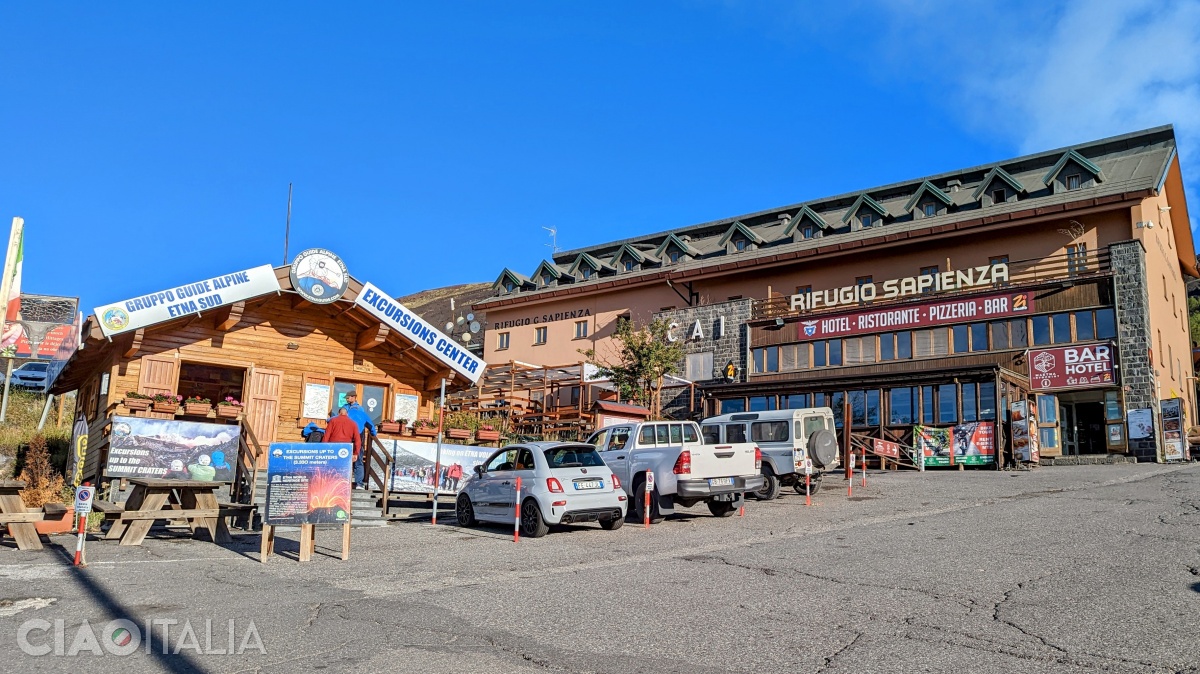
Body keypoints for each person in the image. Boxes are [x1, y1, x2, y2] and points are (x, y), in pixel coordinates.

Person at [338, 393, 374, 488]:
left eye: (348, 397)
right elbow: (370, 425)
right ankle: (359, 483)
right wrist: (373, 433)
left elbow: (336, 419)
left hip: (348, 438)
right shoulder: (358, 410)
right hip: (357, 438)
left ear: (353, 397)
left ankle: (343, 483)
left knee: (345, 459)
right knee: (358, 460)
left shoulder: (352, 410)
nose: (346, 399)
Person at [325, 407, 364, 488]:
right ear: (347, 414)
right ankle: (343, 485)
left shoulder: (333, 421)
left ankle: (331, 484)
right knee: (344, 468)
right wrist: (356, 453)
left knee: (332, 466)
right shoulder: (353, 423)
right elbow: (358, 440)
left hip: (333, 447)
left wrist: (323, 448)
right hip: (346, 448)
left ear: (339, 413)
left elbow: (326, 436)